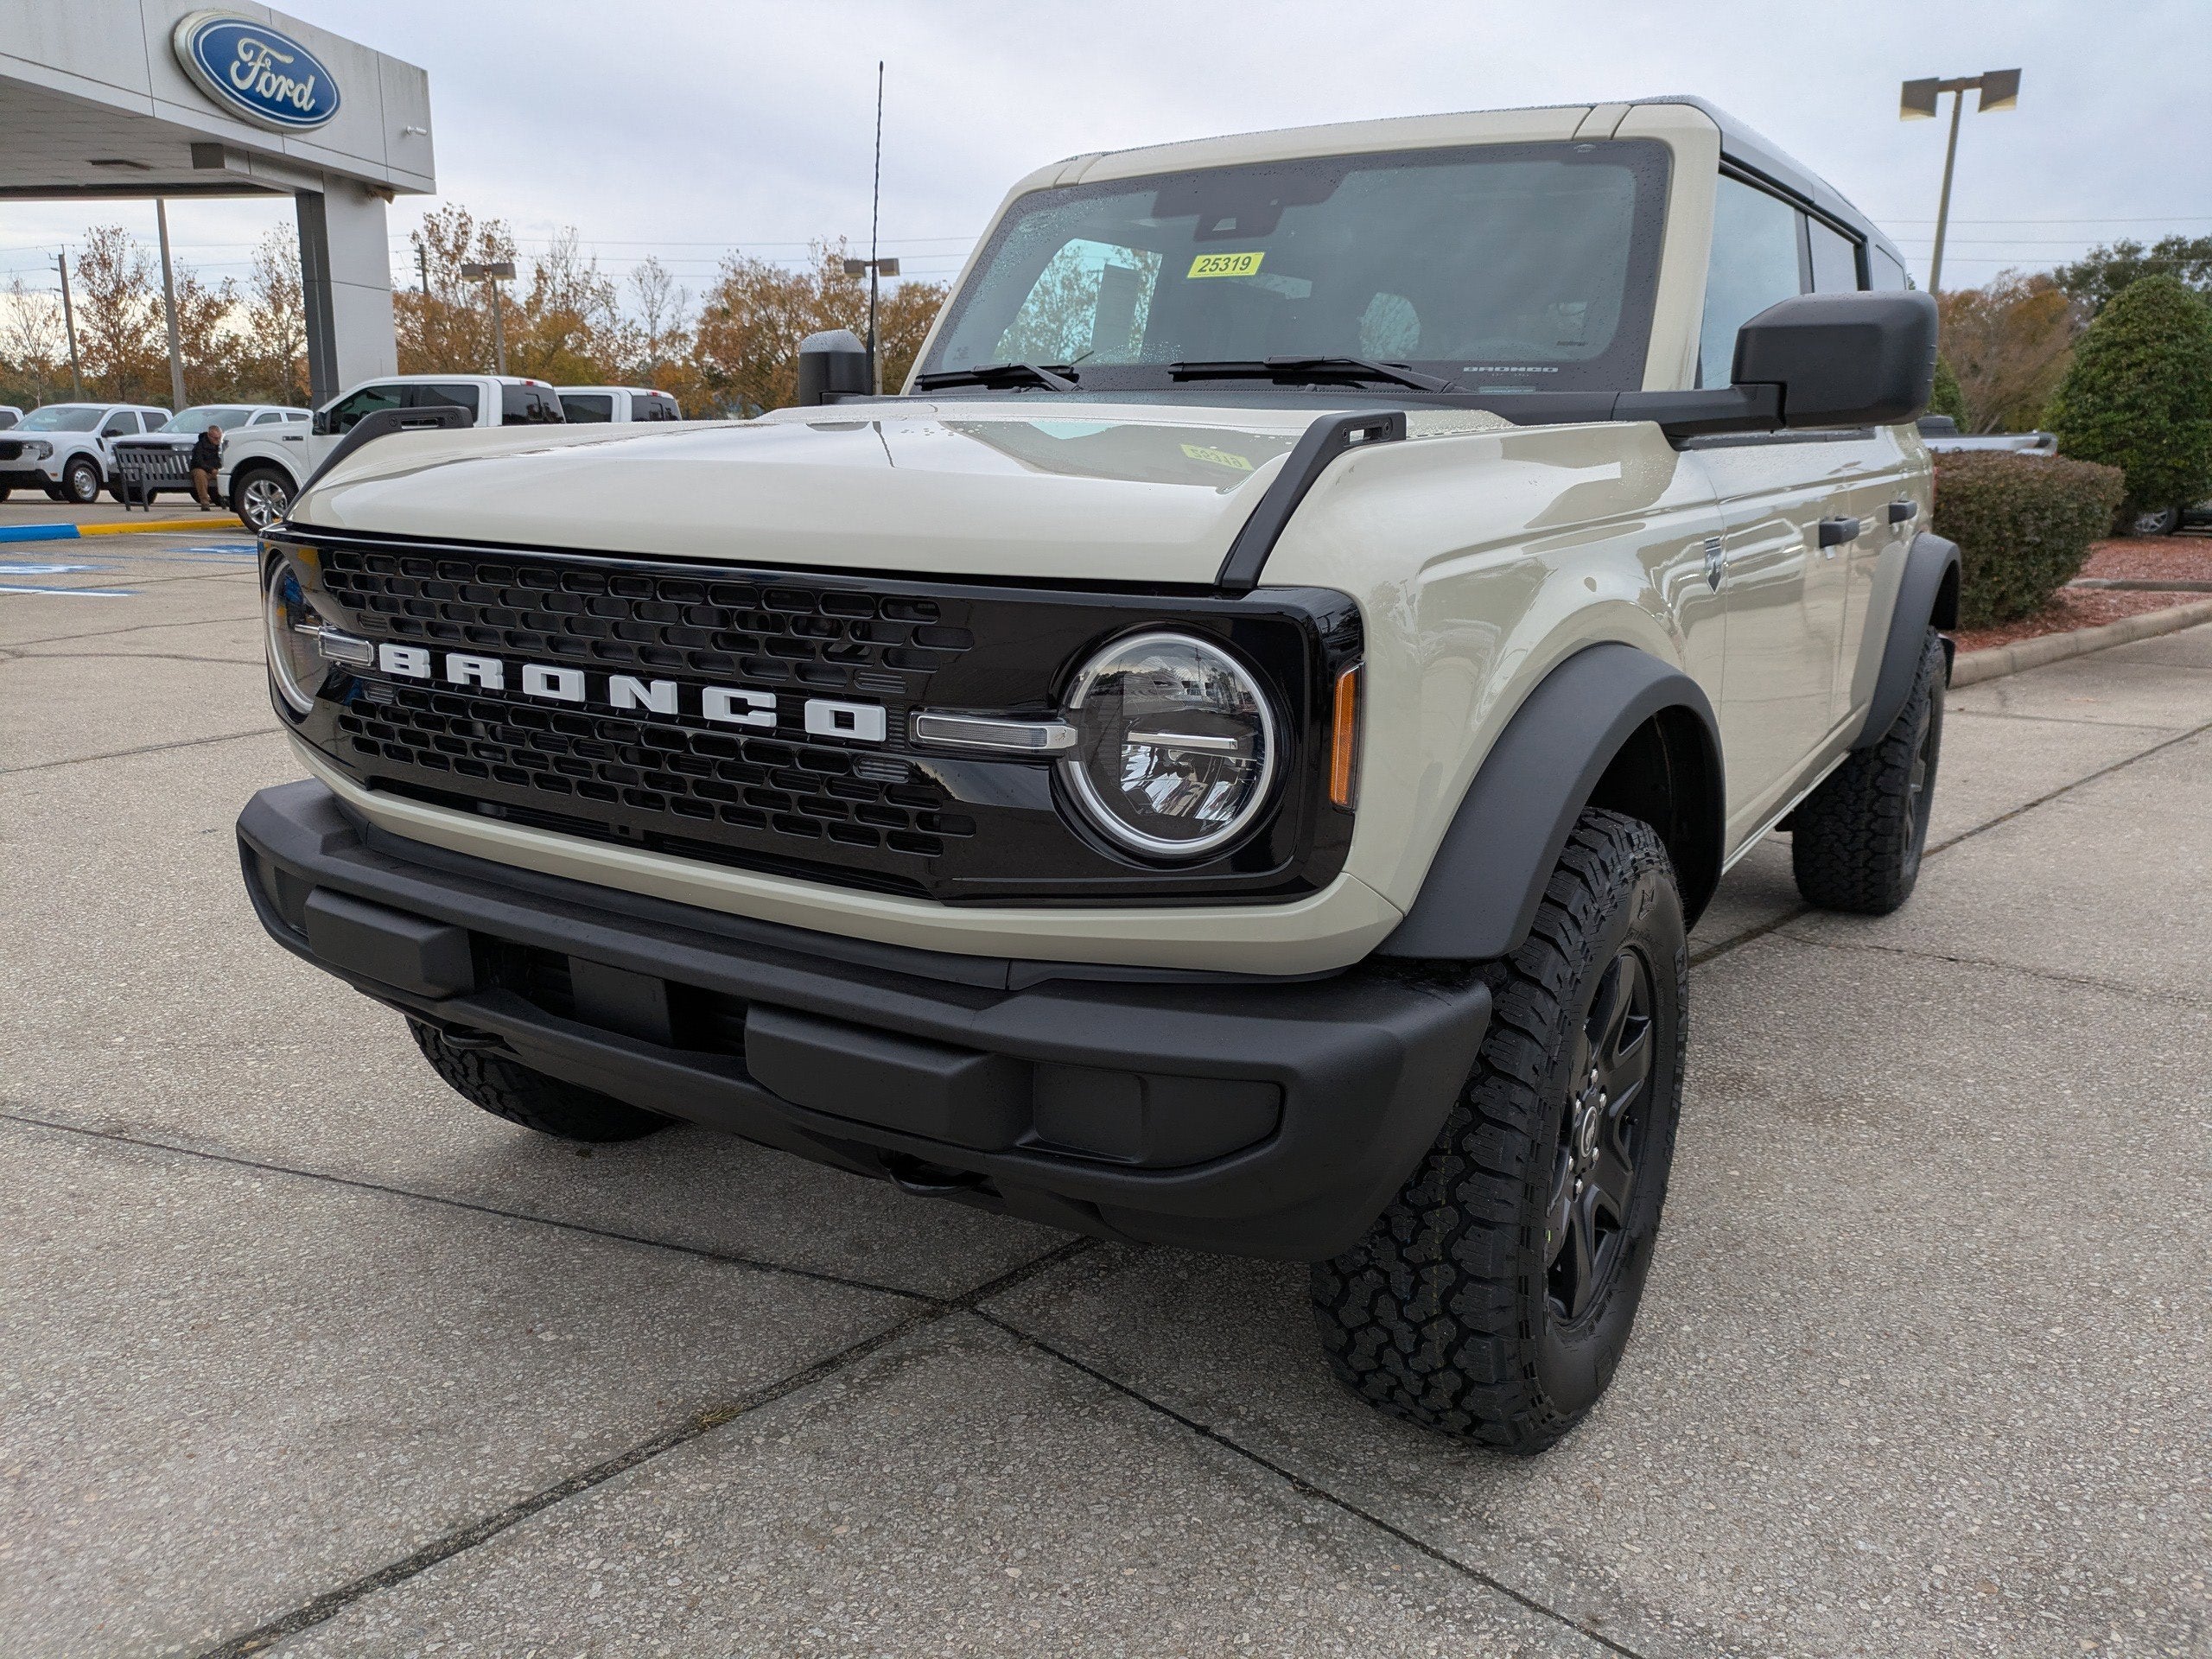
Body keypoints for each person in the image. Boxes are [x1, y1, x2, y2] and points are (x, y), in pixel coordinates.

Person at [189, 425, 224, 511]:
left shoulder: (222, 446)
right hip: (203, 470)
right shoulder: (200, 445)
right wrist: (211, 470)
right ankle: (205, 502)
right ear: (209, 436)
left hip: (216, 470)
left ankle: (230, 500)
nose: (218, 441)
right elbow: (198, 462)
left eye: (220, 438)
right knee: (200, 474)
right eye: (216, 438)